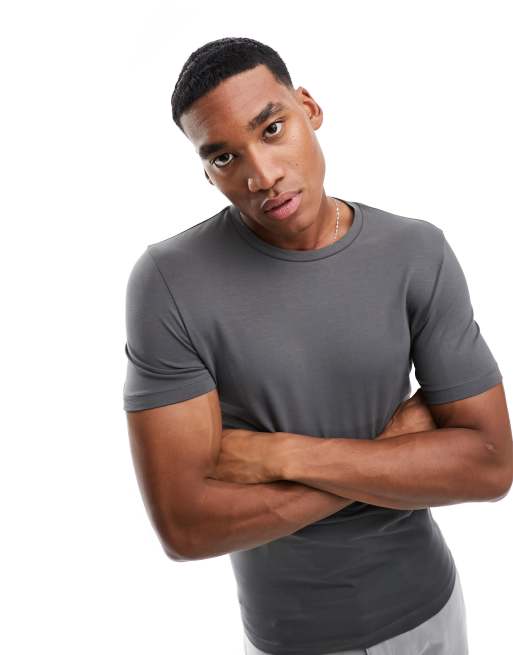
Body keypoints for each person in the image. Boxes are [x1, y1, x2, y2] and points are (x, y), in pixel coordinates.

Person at [122, 37, 512, 655]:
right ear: (206, 170)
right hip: (292, 637)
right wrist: (388, 450)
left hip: (430, 614)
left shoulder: (416, 252)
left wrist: (281, 455)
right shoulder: (170, 282)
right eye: (224, 157)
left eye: (272, 128)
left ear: (309, 108)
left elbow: (490, 464)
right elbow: (186, 528)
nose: (262, 175)